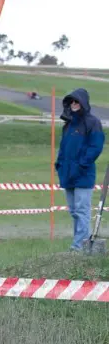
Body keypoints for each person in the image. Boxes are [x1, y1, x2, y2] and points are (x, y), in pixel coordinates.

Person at [55, 88, 104, 252]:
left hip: (83, 175)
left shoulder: (93, 122)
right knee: (74, 211)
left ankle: (79, 247)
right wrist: (59, 164)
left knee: (82, 211)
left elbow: (95, 147)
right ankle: (80, 243)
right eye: (71, 102)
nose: (74, 104)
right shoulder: (67, 125)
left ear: (83, 102)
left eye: (76, 101)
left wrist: (82, 164)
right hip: (67, 174)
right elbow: (63, 148)